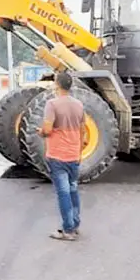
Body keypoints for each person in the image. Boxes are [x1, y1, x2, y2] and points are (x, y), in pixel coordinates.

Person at [37, 72, 84, 241]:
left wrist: (41, 132)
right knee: (73, 190)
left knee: (63, 193)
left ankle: (68, 230)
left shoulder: (52, 104)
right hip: (73, 155)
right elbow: (82, 130)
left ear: (57, 84)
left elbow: (48, 129)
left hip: (57, 155)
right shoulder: (79, 104)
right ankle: (75, 224)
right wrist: (78, 152)